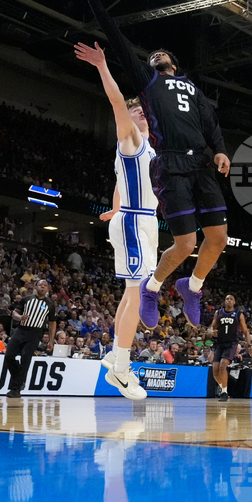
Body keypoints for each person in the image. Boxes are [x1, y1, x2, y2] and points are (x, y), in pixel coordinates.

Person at [75, 0, 230, 332]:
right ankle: (152, 286)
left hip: (202, 163)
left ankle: (191, 286)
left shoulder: (192, 90)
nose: (156, 56)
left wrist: (221, 150)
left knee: (218, 239)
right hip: (171, 164)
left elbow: (211, 123)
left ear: (174, 64)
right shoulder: (149, 84)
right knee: (185, 242)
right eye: (152, 56)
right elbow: (115, 37)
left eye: (162, 54)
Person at [75, 39, 154, 401]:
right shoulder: (132, 137)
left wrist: (114, 206)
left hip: (141, 220)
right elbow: (117, 101)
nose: (138, 113)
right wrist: (103, 67)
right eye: (135, 111)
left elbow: (122, 182)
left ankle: (116, 356)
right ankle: (120, 371)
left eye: (142, 111)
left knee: (132, 292)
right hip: (136, 222)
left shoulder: (150, 148)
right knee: (137, 295)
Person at [5, 279, 57, 398]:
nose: (42, 287)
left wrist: (51, 340)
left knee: (25, 359)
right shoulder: (26, 299)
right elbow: (15, 313)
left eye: (45, 285)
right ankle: (19, 379)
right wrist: (20, 317)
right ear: (35, 287)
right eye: (40, 285)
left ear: (48, 289)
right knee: (9, 356)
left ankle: (15, 389)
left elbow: (52, 323)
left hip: (35, 333)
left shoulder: (50, 304)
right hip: (21, 330)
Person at [209, 294, 252, 402]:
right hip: (220, 343)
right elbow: (211, 328)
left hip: (232, 343)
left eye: (231, 299)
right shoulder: (218, 313)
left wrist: (249, 344)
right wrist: (211, 332)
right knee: (215, 370)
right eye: (227, 299)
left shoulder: (238, 314)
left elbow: (246, 331)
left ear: (234, 302)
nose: (228, 300)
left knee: (223, 365)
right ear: (224, 301)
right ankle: (225, 389)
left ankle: (224, 392)